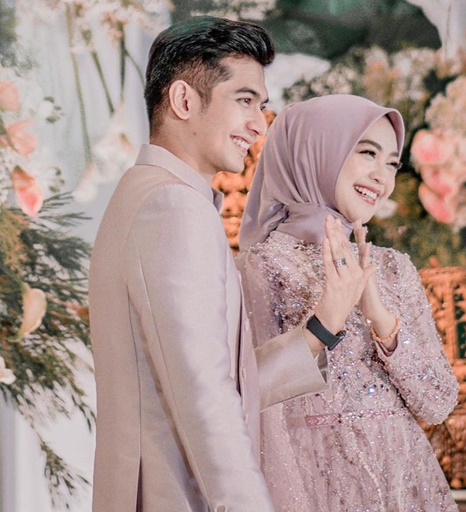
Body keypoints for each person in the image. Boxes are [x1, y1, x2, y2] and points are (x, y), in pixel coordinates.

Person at [89, 16, 326, 511]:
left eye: (261, 106)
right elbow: (204, 400)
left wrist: (321, 331)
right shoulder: (173, 209)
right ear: (183, 101)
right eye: (244, 101)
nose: (260, 125)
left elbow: (208, 375)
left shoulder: (142, 196)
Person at [236, 94, 460, 511]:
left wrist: (377, 313)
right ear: (314, 150)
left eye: (392, 163)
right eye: (368, 154)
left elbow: (438, 402)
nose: (382, 178)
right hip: (315, 489)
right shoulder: (260, 269)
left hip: (406, 485)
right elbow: (252, 402)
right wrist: (328, 315)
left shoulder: (392, 268)